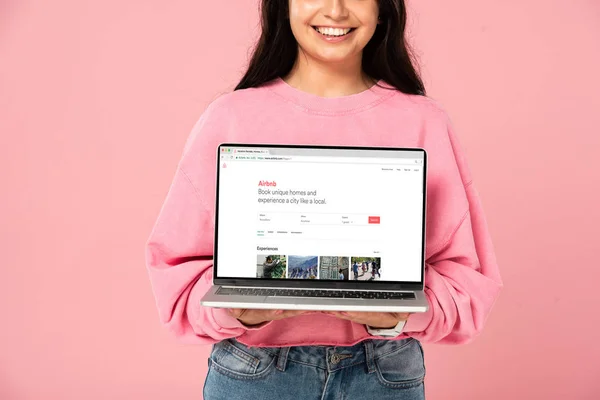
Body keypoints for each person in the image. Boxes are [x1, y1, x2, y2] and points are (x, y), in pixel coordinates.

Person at [145, 1, 503, 399]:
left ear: (383, 8)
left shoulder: (424, 121)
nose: (335, 10)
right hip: (253, 373)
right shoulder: (229, 117)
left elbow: (467, 281)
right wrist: (231, 309)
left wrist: (402, 311)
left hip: (384, 372)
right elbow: (175, 273)